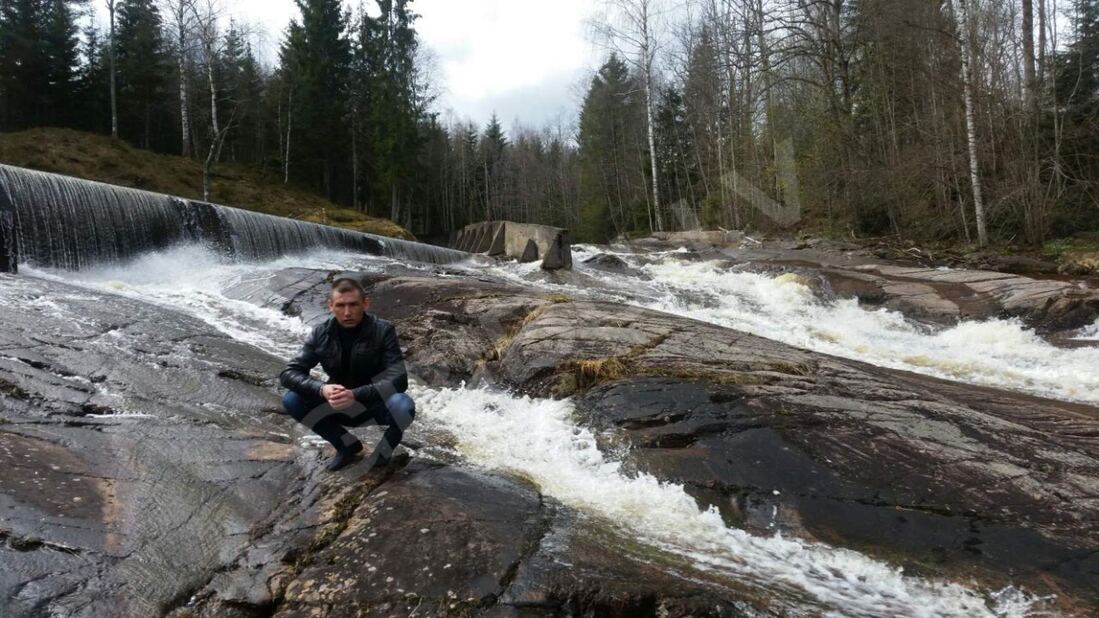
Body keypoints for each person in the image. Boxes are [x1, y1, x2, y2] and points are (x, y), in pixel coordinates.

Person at [279, 277, 416, 471]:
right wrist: (322, 389)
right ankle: (346, 446)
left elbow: (399, 379)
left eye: (353, 305)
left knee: (403, 405)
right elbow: (289, 372)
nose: (347, 312)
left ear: (365, 304)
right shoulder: (320, 333)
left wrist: (355, 394)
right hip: (336, 403)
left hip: (373, 404)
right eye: (340, 305)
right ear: (330, 306)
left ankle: (385, 450)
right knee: (292, 400)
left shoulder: (383, 330)